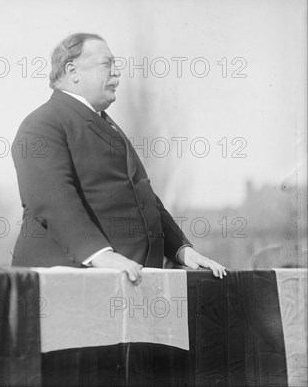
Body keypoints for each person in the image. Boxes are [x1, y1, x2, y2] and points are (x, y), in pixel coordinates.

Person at [11, 33, 226, 282]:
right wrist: (99, 254)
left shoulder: (105, 124)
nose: (117, 73)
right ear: (73, 71)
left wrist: (181, 250)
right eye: (107, 64)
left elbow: (142, 197)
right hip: (69, 284)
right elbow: (52, 200)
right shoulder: (42, 124)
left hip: (125, 283)